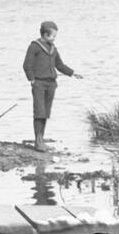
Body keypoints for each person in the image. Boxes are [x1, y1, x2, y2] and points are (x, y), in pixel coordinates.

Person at [23, 20, 82, 152]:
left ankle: (41, 140)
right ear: (45, 35)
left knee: (45, 113)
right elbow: (27, 65)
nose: (54, 38)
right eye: (53, 36)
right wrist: (31, 79)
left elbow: (59, 65)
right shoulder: (34, 47)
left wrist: (73, 73)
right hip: (38, 83)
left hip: (51, 84)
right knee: (39, 112)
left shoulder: (53, 49)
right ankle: (38, 142)